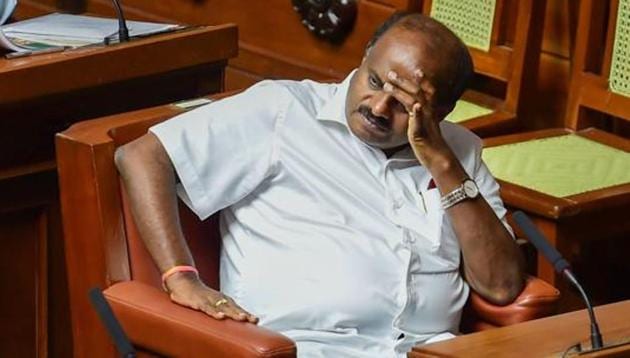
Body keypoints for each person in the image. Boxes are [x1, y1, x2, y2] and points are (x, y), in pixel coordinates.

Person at [115, 12, 525, 357]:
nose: (379, 108)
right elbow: (141, 156)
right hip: (308, 349)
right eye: (376, 81)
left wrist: (442, 164)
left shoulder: (459, 154)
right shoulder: (282, 111)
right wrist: (182, 277)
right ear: (365, 57)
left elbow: (502, 286)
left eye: (405, 104)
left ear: (442, 111)